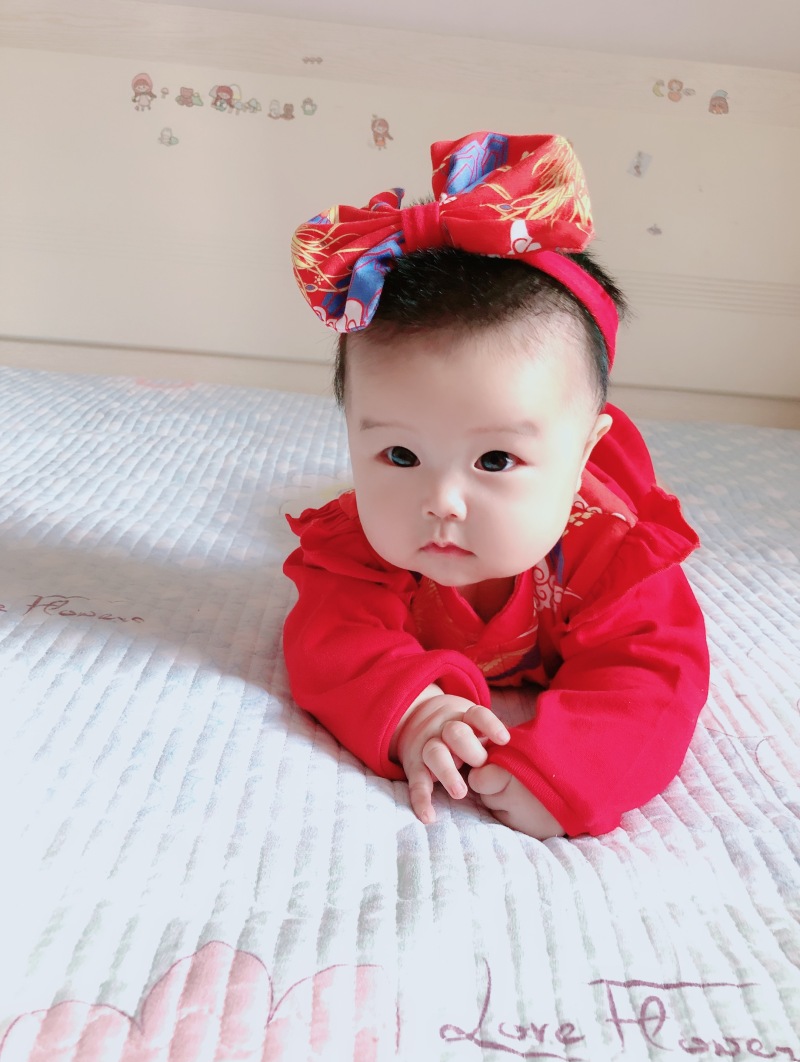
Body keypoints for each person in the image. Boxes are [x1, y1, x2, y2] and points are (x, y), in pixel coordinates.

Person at [283, 132, 709, 839]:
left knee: (617, 482)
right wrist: (414, 708)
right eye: (397, 453)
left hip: (598, 490)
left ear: (579, 454)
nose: (441, 502)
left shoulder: (611, 557)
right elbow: (329, 641)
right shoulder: (359, 544)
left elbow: (655, 674)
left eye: (495, 460)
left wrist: (567, 772)